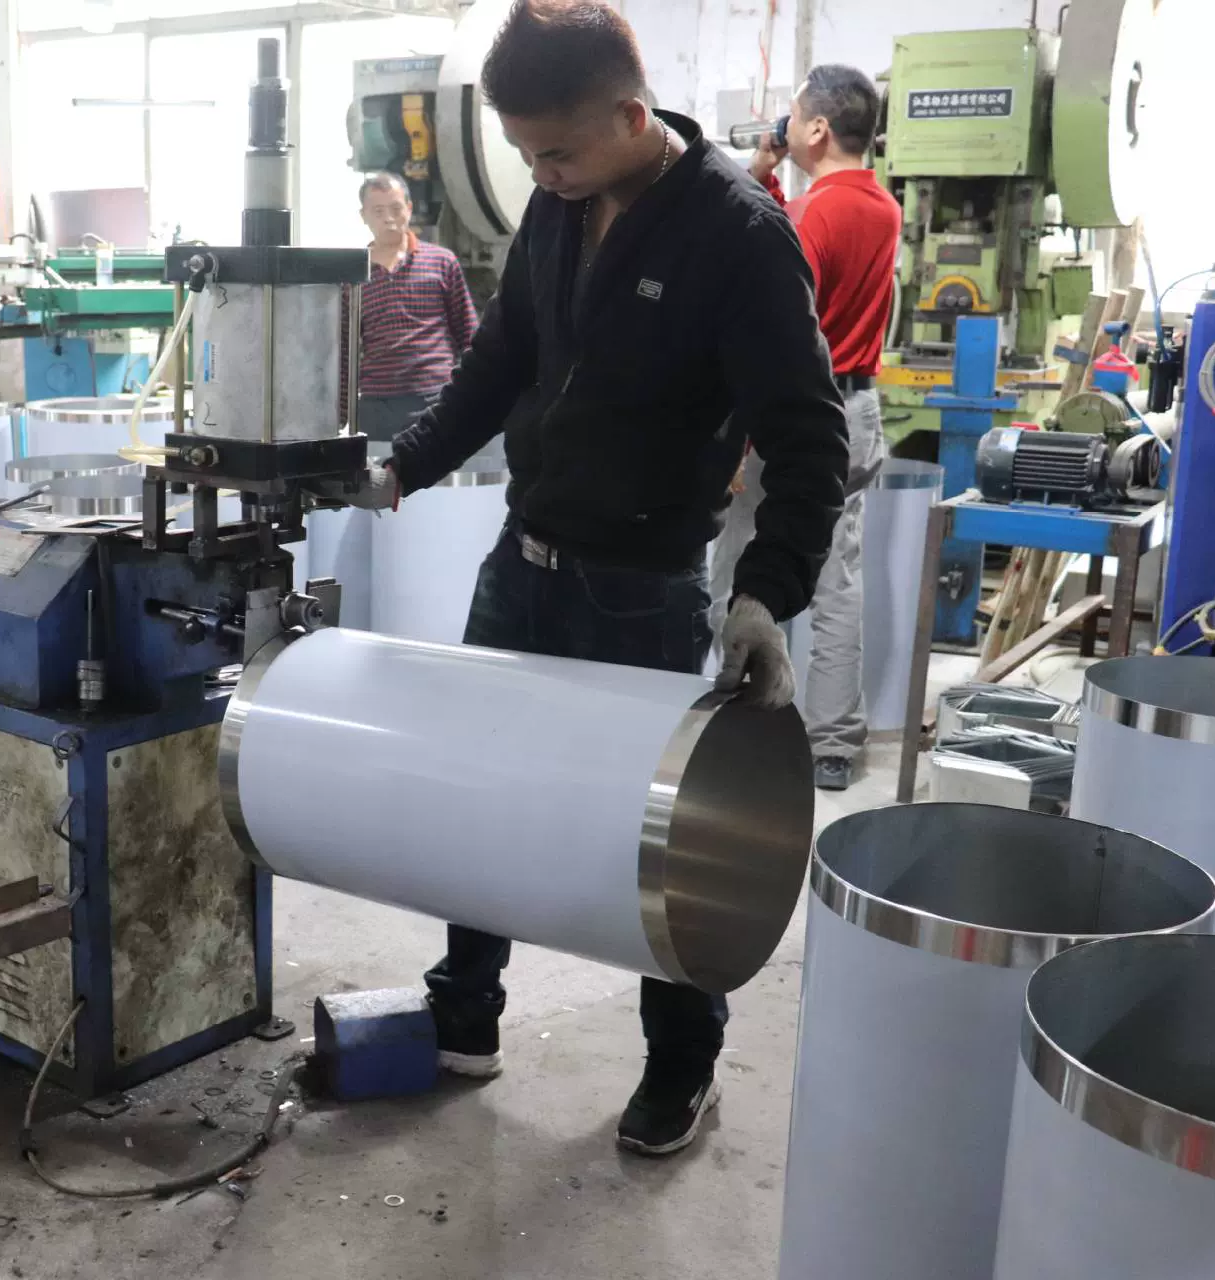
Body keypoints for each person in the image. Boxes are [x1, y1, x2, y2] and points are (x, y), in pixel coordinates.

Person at [352, 0, 846, 1158]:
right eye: (526, 154)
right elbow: (500, 360)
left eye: (557, 153)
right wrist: (405, 464)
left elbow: (810, 435)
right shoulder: (556, 207)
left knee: (659, 841)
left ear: (632, 115)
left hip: (642, 587)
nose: (542, 174)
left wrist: (766, 592)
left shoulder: (739, 235)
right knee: (476, 794)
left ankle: (682, 1061)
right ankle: (465, 1012)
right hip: (521, 561)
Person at [713, 64, 899, 792]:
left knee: (741, 573)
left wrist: (739, 439)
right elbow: (795, 241)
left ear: (818, 128)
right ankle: (832, 745)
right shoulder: (879, 206)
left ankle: (735, 734)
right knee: (835, 581)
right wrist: (769, 177)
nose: (783, 127)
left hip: (795, 417)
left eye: (792, 117)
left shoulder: (815, 215)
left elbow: (778, 322)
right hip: (858, 410)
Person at [352, 172, 479, 441]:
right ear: (363, 215)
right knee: (379, 469)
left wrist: (471, 396)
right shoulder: (353, 276)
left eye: (396, 208)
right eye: (378, 211)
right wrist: (341, 413)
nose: (389, 218)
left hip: (437, 399)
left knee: (441, 467)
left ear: (409, 209)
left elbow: (469, 334)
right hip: (376, 406)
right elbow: (344, 350)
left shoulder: (442, 262)